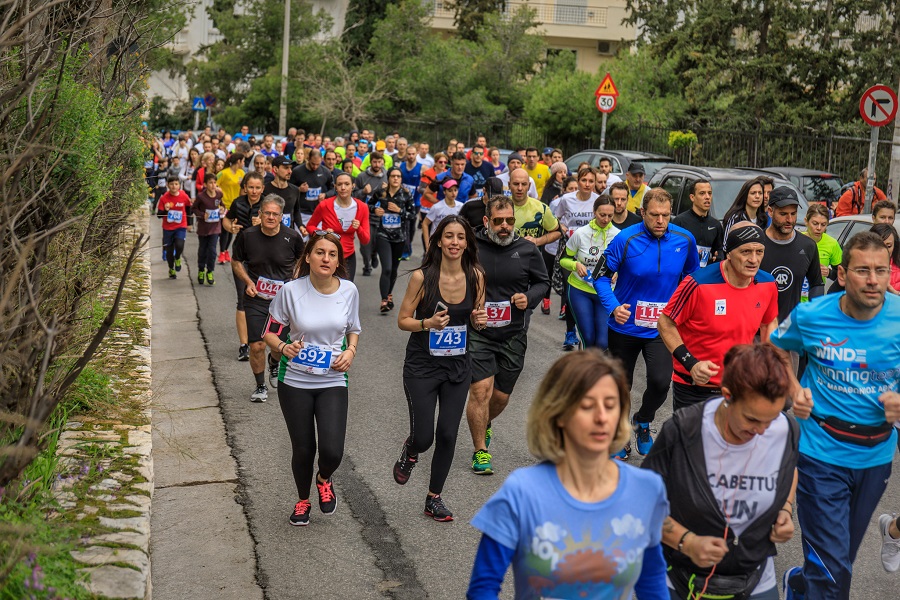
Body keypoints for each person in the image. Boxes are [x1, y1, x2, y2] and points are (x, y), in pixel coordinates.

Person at [467, 350, 669, 599]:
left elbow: (652, 582)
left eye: (610, 405)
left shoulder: (646, 489)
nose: (602, 418)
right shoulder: (521, 492)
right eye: (587, 406)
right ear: (558, 414)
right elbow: (483, 589)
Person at [772, 232, 900, 600]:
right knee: (832, 570)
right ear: (842, 274)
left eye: (880, 270)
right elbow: (776, 347)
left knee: (838, 561)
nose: (873, 280)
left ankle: (798, 583)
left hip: (875, 456)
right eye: (862, 270)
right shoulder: (812, 315)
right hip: (819, 453)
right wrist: (794, 390)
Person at [642, 343, 800, 600]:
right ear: (727, 395)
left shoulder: (786, 429)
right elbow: (642, 503)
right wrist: (687, 542)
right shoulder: (684, 430)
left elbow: (787, 468)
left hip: (755, 578)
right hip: (681, 578)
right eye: (751, 419)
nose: (762, 431)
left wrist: (785, 508)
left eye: (770, 420)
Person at [592, 188, 699, 459]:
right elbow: (600, 277)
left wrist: (685, 314)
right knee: (621, 385)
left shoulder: (685, 239)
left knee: (661, 382)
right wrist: (613, 307)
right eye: (654, 215)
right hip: (625, 326)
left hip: (662, 328)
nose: (660, 221)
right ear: (642, 213)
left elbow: (693, 279)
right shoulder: (625, 239)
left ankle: (642, 420)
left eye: (665, 215)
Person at [392, 216, 487, 522]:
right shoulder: (423, 277)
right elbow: (403, 320)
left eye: (460, 237)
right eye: (448, 236)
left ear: (467, 243)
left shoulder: (476, 276)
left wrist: (479, 321)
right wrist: (428, 323)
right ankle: (411, 450)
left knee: (447, 433)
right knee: (424, 437)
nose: (454, 242)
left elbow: (477, 318)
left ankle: (434, 497)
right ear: (438, 241)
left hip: (457, 367)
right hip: (422, 367)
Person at [262, 231, 360, 526]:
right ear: (308, 257)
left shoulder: (349, 291)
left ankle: (324, 477)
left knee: (332, 450)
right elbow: (269, 332)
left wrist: (351, 351)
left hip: (333, 379)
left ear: (338, 261)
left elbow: (354, 328)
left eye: (332, 254)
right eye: (319, 252)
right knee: (303, 448)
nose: (325, 258)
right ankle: (303, 500)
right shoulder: (291, 291)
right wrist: (283, 347)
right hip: (294, 381)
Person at [466, 196, 549, 476]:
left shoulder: (527, 249)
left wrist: (529, 297)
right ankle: (480, 450)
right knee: (480, 390)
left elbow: (543, 282)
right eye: (498, 221)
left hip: (513, 333)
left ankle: (484, 422)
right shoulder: (471, 247)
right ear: (487, 221)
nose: (505, 226)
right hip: (479, 331)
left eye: (510, 220)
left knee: (500, 396)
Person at [658, 223, 779, 410]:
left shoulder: (768, 284)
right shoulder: (698, 283)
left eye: (759, 252)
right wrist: (691, 363)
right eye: (746, 252)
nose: (754, 259)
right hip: (695, 387)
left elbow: (769, 323)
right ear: (729, 253)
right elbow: (665, 323)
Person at [231, 194, 305, 402]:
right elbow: (236, 261)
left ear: (281, 216)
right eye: (267, 213)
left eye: (275, 214)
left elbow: (303, 259)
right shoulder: (248, 236)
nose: (271, 217)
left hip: (283, 302)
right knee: (257, 345)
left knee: (277, 345)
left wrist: (295, 280)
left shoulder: (292, 237)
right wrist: (248, 282)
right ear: (260, 214)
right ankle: (260, 386)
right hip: (256, 299)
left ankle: (274, 362)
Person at [560, 196, 619, 349]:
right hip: (580, 289)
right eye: (602, 215)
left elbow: (626, 263)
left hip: (605, 292)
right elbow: (563, 259)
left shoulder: (619, 235)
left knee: (603, 343)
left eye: (610, 216)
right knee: (588, 337)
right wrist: (575, 264)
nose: (606, 219)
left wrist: (619, 272)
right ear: (594, 212)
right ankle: (587, 360)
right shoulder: (580, 233)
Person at [759, 187, 823, 323]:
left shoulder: (808, 246)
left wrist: (813, 314)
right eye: (783, 214)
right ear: (770, 211)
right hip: (758, 328)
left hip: (791, 328)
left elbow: (816, 284)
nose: (789, 219)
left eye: (793, 214)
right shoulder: (756, 244)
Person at [552, 166, 599, 346]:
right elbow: (556, 218)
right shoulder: (566, 199)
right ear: (578, 181)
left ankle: (589, 329)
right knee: (570, 290)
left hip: (591, 251)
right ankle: (570, 332)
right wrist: (561, 226)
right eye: (584, 180)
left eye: (591, 181)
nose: (587, 184)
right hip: (570, 250)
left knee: (589, 289)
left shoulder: (597, 200)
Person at [306, 172, 371, 281]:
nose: (343, 188)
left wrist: (358, 228)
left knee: (346, 289)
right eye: (340, 184)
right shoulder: (325, 205)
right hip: (327, 256)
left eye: (347, 184)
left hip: (348, 256)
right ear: (335, 187)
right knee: (325, 288)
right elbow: (310, 226)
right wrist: (323, 232)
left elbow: (365, 240)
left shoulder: (362, 207)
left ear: (353, 186)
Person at [368, 167, 415, 312]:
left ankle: (389, 295)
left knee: (394, 269)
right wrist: (375, 210)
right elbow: (368, 204)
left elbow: (413, 215)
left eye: (398, 176)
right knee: (387, 268)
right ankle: (384, 300)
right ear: (388, 178)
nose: (395, 178)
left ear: (401, 179)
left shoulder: (406, 194)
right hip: (383, 235)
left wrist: (399, 211)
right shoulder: (380, 192)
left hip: (399, 238)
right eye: (393, 176)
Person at [672, 179, 724, 267]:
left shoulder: (716, 225)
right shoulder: (680, 221)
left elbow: (719, 250)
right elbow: (673, 250)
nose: (707, 197)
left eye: (709, 193)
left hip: (706, 273)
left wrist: (718, 257)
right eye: (702, 193)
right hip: (686, 273)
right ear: (692, 197)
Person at [354, 151, 389, 276]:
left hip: (381, 215)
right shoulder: (361, 177)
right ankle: (367, 265)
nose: (377, 164)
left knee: (377, 242)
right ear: (370, 162)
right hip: (366, 215)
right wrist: (363, 192)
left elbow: (394, 195)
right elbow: (353, 195)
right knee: (365, 243)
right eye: (375, 162)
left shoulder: (388, 177)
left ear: (383, 162)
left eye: (379, 162)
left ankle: (374, 254)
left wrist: (388, 190)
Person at [801, 204, 842, 301]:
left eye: (823, 224)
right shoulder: (797, 240)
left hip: (815, 300)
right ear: (806, 221)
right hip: (794, 301)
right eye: (815, 223)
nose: (819, 228)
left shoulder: (832, 244)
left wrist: (829, 273)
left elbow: (843, 274)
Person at [289, 149, 333, 233]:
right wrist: (299, 189)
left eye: (318, 164)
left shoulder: (325, 172)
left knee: (317, 239)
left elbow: (333, 189)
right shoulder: (297, 171)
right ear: (308, 158)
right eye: (313, 163)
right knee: (301, 239)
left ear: (321, 160)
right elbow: (288, 188)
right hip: (302, 213)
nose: (315, 167)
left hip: (318, 213)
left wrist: (325, 194)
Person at [156, 177, 192, 279]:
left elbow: (189, 208)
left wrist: (189, 223)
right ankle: (171, 268)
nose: (174, 186)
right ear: (167, 185)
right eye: (171, 184)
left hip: (181, 226)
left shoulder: (183, 195)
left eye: (176, 184)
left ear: (179, 185)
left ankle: (178, 258)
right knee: (169, 251)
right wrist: (166, 210)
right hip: (168, 228)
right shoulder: (164, 198)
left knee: (180, 245)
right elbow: (159, 215)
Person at [192, 173, 224, 285]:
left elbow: (222, 205)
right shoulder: (201, 197)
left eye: (215, 182)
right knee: (203, 250)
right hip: (203, 228)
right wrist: (202, 215)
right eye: (210, 183)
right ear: (205, 184)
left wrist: (222, 209)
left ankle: (210, 271)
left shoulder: (219, 194)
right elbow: (194, 208)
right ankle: (201, 269)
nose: (213, 185)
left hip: (215, 227)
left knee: (212, 251)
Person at [722, 177, 768, 248]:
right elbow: (725, 245)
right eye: (753, 193)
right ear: (745, 195)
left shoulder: (763, 219)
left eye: (760, 193)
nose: (757, 196)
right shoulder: (735, 218)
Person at [216, 153, 245, 263]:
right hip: (224, 205)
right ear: (238, 161)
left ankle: (226, 250)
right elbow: (214, 183)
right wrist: (218, 191)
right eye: (243, 161)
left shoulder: (242, 173)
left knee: (232, 230)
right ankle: (222, 252)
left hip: (236, 206)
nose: (243, 163)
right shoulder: (223, 173)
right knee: (225, 230)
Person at [263, 155, 302, 232]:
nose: (290, 171)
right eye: (286, 168)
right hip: (269, 233)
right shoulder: (264, 189)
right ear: (275, 169)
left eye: (290, 168)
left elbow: (296, 211)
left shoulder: (295, 190)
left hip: (288, 234)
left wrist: (301, 226)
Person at [422, 179, 462, 248]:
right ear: (444, 192)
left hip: (453, 244)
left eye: (455, 190)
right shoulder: (437, 207)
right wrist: (427, 245)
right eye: (450, 191)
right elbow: (425, 224)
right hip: (437, 243)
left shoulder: (461, 206)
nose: (453, 193)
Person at [399, 145, 423, 259]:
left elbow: (425, 184)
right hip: (403, 201)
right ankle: (405, 251)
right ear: (406, 154)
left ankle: (408, 245)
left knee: (412, 227)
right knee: (405, 226)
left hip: (416, 202)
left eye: (413, 154)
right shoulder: (401, 166)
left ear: (416, 154)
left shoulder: (421, 168)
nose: (411, 156)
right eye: (409, 154)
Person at [871, 223, 900, 293]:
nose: (884, 250)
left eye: (888, 246)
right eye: (879, 245)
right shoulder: (859, 266)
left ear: (894, 246)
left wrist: (895, 293)